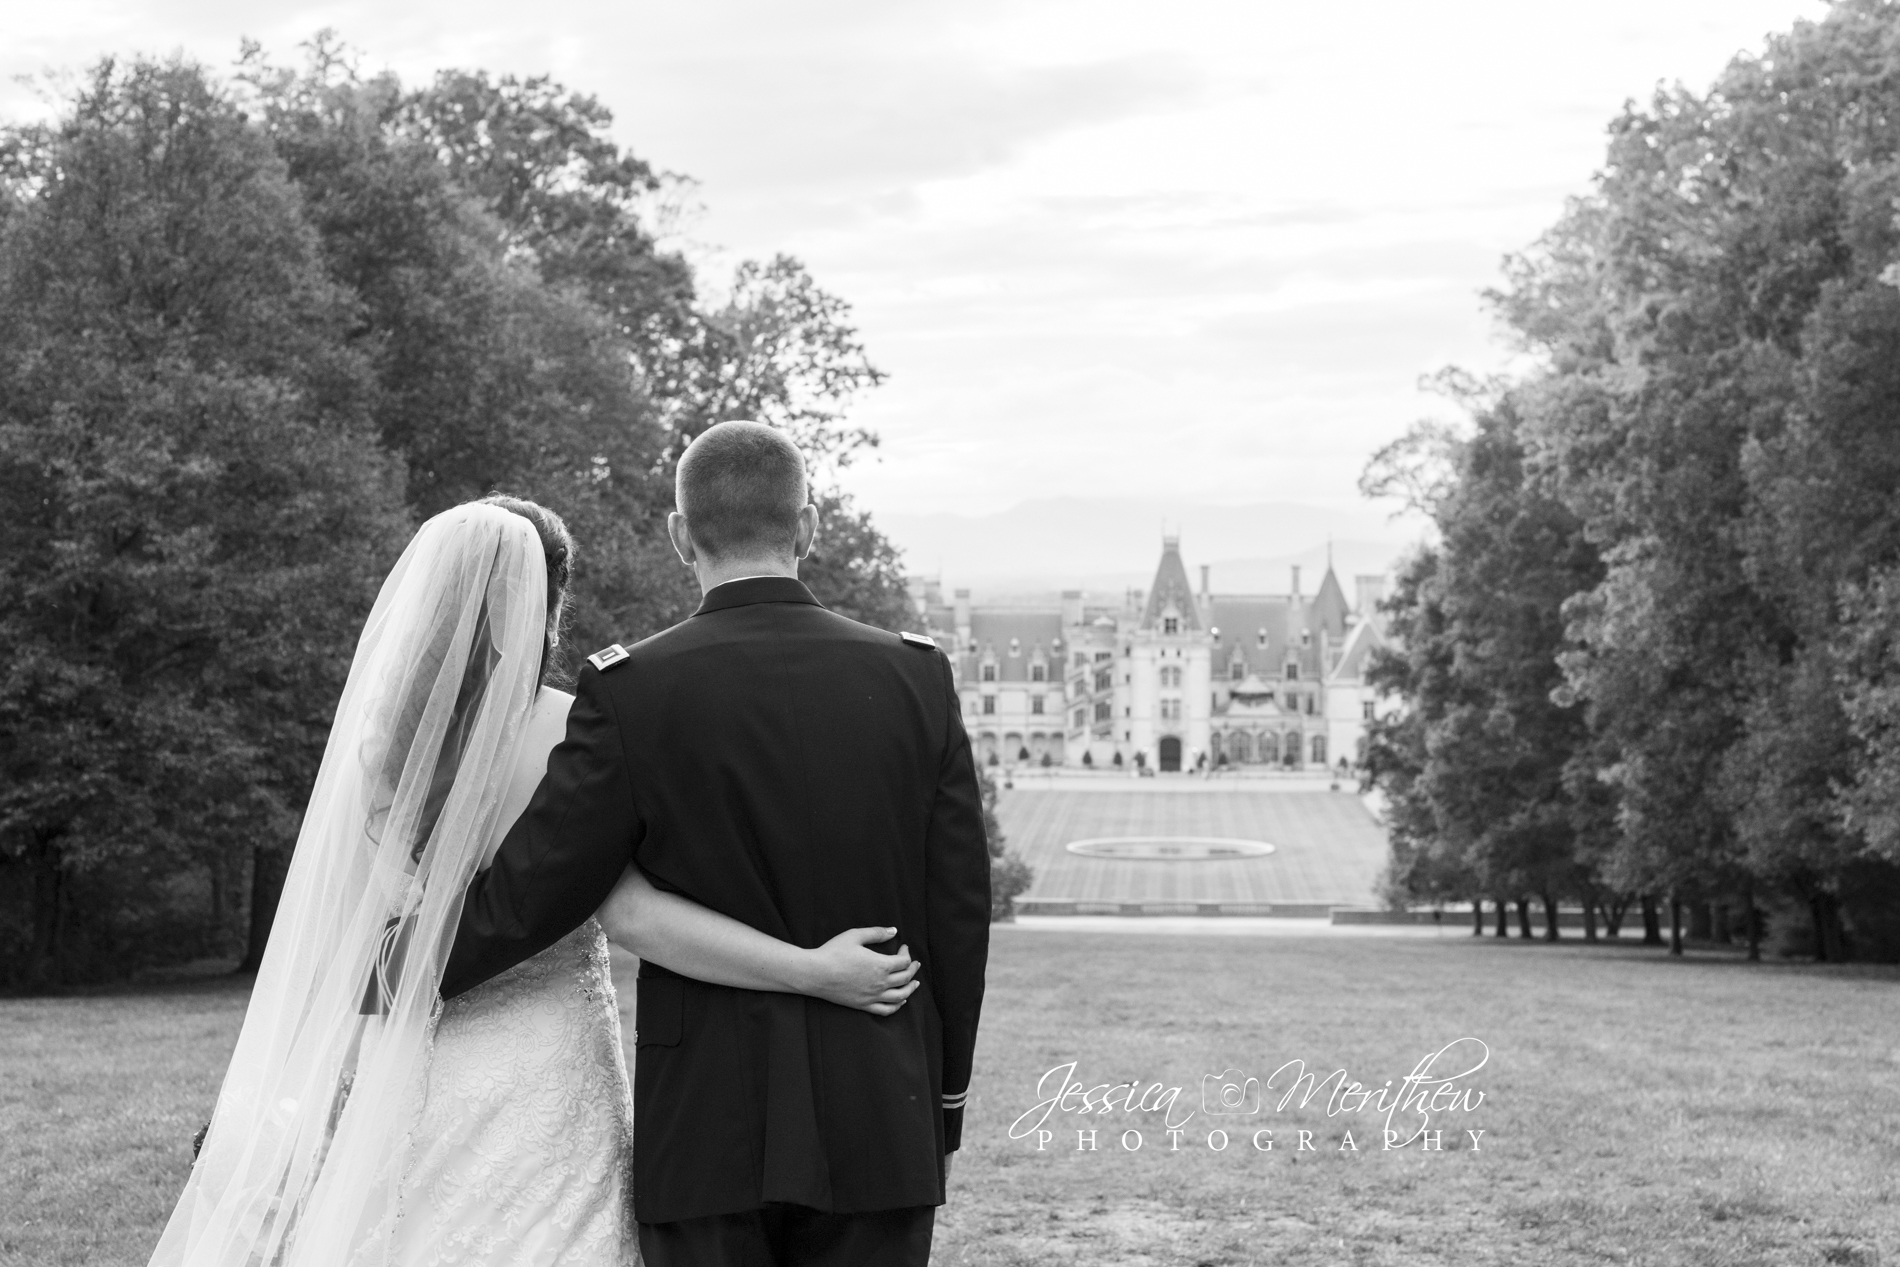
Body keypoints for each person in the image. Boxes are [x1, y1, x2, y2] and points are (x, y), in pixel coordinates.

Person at [148, 497, 916, 1267]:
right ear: (549, 607)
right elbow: (636, 917)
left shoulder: (381, 741)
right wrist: (813, 970)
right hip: (549, 1074)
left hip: (415, 1066)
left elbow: (356, 934)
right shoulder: (576, 726)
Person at [443, 422, 992, 1267]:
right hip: (883, 1112)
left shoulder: (629, 689)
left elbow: (531, 894)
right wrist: (942, 1106)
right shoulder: (917, 677)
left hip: (707, 1125)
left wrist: (383, 970)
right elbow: (959, 916)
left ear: (677, 535)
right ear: (807, 527)